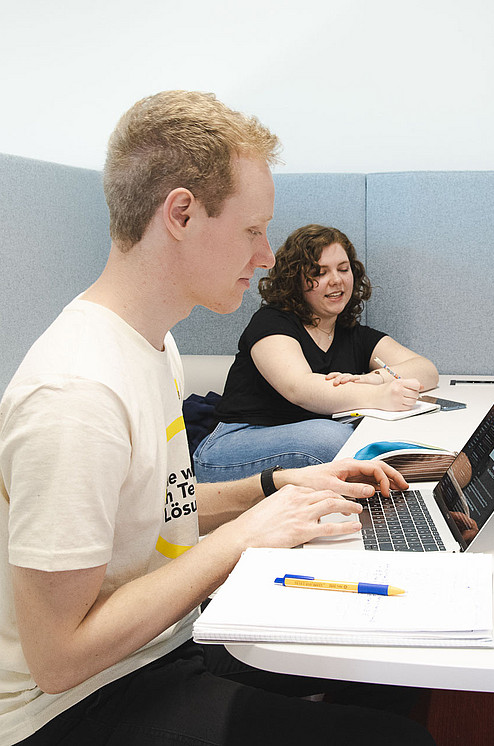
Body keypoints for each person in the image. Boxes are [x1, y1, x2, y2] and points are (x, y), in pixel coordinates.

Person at [0, 90, 435, 746]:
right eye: (252, 229)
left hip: (162, 646)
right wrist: (246, 535)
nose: (265, 256)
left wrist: (272, 489)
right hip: (75, 707)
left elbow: (146, 511)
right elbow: (60, 658)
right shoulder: (77, 396)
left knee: (396, 670)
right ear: (181, 213)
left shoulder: (153, 343)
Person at [193, 223, 438, 482]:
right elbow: (300, 388)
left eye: (343, 269)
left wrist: (375, 378)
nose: (336, 280)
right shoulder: (271, 323)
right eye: (319, 273)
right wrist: (379, 395)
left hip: (309, 441)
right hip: (231, 447)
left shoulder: (351, 333)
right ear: (295, 280)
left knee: (353, 437)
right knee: (331, 437)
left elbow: (426, 370)